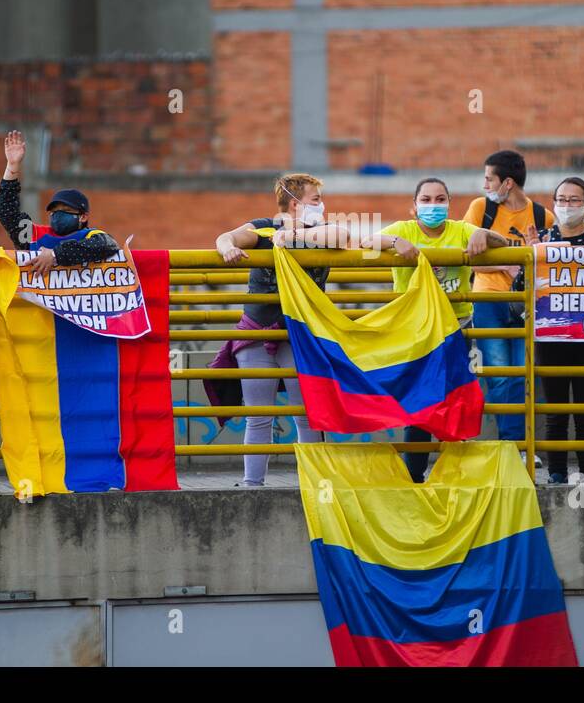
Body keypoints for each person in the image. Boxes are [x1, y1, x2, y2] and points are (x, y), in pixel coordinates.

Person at [214, 173, 350, 487]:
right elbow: (227, 237)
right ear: (294, 202)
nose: (322, 206)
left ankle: (315, 486)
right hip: (258, 333)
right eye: (316, 200)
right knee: (259, 415)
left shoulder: (323, 230)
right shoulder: (262, 227)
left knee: (307, 413)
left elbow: (342, 236)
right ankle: (252, 485)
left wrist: (292, 238)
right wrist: (226, 249)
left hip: (299, 337)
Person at [375, 178, 509, 482]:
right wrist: (396, 243)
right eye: (426, 199)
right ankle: (415, 475)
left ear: (449, 204)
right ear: (413, 206)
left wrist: (480, 233)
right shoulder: (403, 229)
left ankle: (455, 473)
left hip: (456, 330)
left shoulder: (460, 229)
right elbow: (365, 242)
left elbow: (503, 243)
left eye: (440, 199)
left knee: (457, 400)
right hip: (416, 332)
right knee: (420, 403)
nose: (433, 205)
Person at [461, 150, 554, 454]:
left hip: (526, 304)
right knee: (501, 375)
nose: (485, 184)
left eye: (489, 178)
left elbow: (549, 268)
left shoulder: (543, 217)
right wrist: (505, 265)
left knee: (523, 374)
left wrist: (533, 254)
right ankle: (510, 447)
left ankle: (519, 446)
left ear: (508, 183)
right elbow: (467, 261)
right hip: (489, 300)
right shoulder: (480, 209)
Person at [533, 176, 584, 484]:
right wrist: (530, 257)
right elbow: (520, 291)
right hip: (552, 337)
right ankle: (557, 474)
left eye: (573, 200)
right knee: (555, 412)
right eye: (561, 199)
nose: (566, 205)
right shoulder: (542, 238)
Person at [0, 130, 119, 270]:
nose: (58, 215)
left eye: (66, 210)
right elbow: (7, 212)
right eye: (54, 211)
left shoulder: (92, 237)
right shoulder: (33, 235)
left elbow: (109, 244)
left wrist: (55, 255)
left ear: (83, 216)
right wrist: (12, 166)